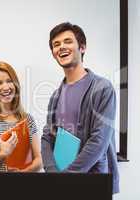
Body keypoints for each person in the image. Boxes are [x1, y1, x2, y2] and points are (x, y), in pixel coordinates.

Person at [41, 22, 119, 193]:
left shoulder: (102, 88)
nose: (61, 47)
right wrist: (53, 173)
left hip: (92, 182)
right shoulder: (55, 95)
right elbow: (47, 137)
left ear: (82, 47)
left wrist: (68, 178)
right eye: (56, 44)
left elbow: (99, 141)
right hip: (62, 183)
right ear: (53, 54)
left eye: (67, 41)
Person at [0, 61, 42, 172]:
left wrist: (23, 173)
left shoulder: (28, 119)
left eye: (9, 81)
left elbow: (39, 160)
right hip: (0, 186)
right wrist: (3, 154)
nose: (5, 87)